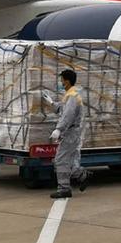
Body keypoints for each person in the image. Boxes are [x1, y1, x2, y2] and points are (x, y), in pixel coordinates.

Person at [49, 69, 90, 199]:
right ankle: (82, 175)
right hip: (71, 132)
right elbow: (63, 109)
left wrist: (59, 129)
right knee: (69, 161)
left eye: (61, 80)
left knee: (60, 160)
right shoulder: (69, 94)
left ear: (66, 81)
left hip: (71, 132)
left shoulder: (72, 95)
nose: (60, 82)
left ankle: (64, 188)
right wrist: (51, 104)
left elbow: (68, 115)